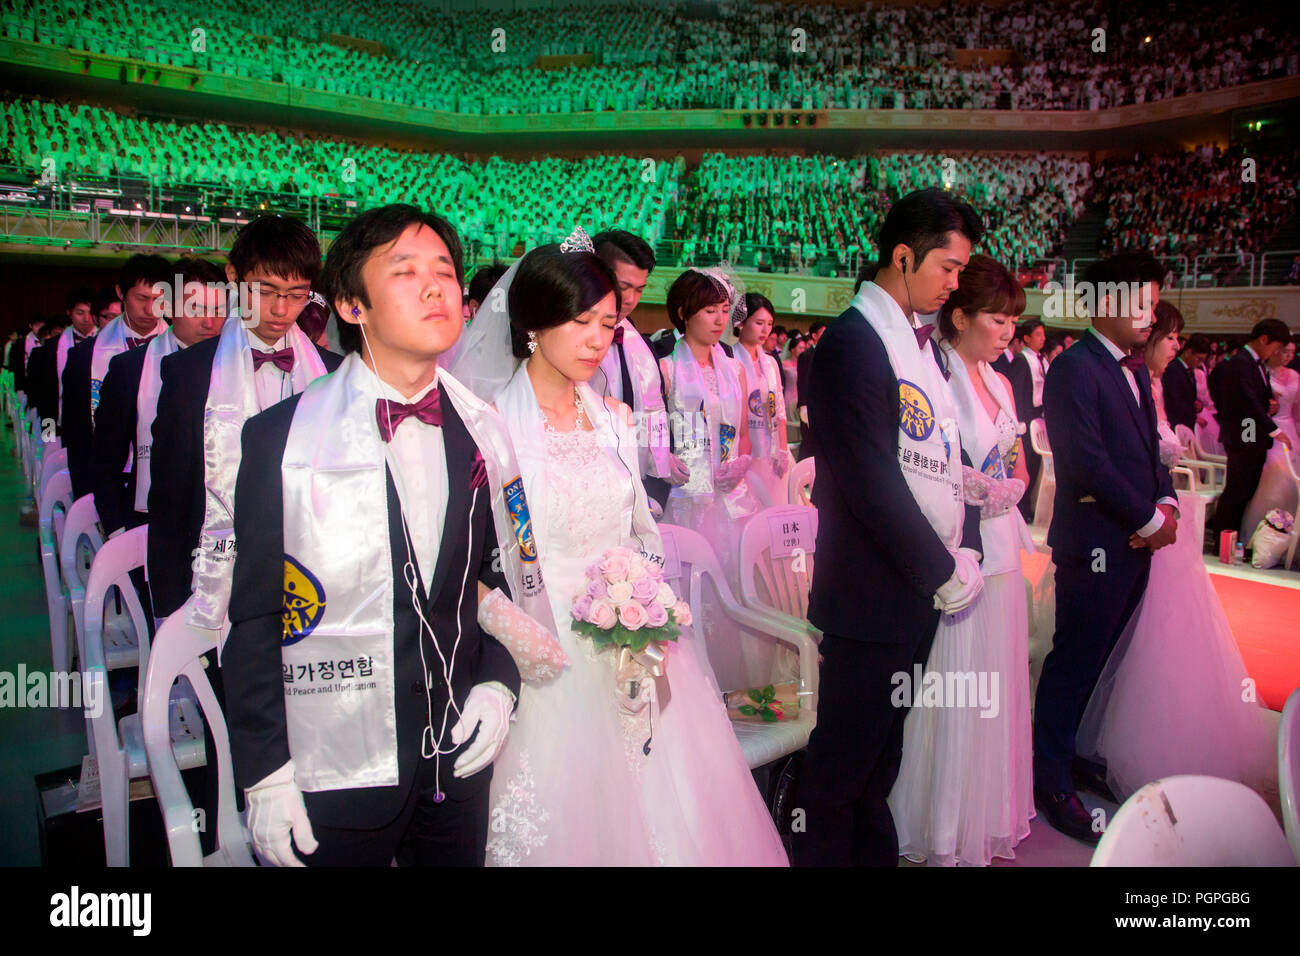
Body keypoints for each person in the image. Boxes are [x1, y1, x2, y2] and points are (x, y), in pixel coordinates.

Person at [449, 235, 787, 866]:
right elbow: (466, 561)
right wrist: (521, 635)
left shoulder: (614, 418)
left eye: (608, 323)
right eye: (580, 322)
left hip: (629, 635)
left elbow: (637, 532)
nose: (598, 339)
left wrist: (649, 610)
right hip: (541, 641)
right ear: (532, 325)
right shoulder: (490, 428)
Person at [223, 204, 522, 867]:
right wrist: (267, 774)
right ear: (353, 305)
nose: (435, 286)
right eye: (405, 270)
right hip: (338, 767)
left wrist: (500, 683)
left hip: (457, 758)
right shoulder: (280, 440)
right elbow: (253, 618)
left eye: (445, 271)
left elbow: (506, 580)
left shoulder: (484, 431)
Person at [793, 188, 985, 868]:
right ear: (903, 256)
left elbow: (933, 460)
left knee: (881, 758)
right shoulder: (852, 341)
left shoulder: (913, 344)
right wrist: (939, 570)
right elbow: (872, 479)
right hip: (871, 595)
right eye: (949, 267)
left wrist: (958, 549)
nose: (956, 282)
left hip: (908, 594)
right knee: (842, 766)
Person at [1075, 302, 1277, 804]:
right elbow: (1106, 462)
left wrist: (1164, 501)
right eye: (1169, 338)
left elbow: (1157, 458)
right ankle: (1103, 745)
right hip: (1137, 526)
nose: (1175, 346)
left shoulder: (1150, 385)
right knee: (1134, 640)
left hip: (1167, 521)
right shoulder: (1119, 377)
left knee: (1171, 636)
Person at [888, 254, 1035, 866]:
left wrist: (1015, 484)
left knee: (996, 685)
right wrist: (975, 487)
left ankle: (986, 812)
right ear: (961, 315)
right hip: (958, 547)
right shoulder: (935, 372)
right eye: (997, 319)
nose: (1007, 332)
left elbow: (1018, 454)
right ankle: (940, 825)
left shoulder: (1001, 379)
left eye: (1012, 322)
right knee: (952, 687)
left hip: (1005, 547)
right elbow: (923, 460)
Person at [1033, 251, 1177, 846]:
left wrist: (1166, 500)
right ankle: (1050, 778)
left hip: (1134, 543)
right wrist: (1146, 515)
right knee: (1073, 661)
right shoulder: (1074, 368)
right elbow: (1085, 462)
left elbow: (1149, 450)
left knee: (1103, 663)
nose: (1150, 316)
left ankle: (1076, 752)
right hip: (1095, 543)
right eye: (1140, 303)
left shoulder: (1135, 368)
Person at [147, 215, 341, 626]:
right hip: (223, 582)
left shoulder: (335, 374)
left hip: (315, 579)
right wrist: (169, 613)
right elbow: (170, 504)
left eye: (296, 294)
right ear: (234, 276)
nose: (281, 310)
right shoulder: (188, 374)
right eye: (265, 291)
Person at [90, 258, 227, 542]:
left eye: (218, 310)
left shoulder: (238, 363)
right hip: (149, 521)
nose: (209, 322)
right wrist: (117, 529)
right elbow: (105, 461)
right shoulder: (130, 368)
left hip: (225, 522)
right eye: (196, 309)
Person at [658, 267, 758, 588]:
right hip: (686, 493)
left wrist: (740, 465)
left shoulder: (734, 369)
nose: (720, 321)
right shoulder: (667, 369)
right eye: (710, 311)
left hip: (729, 494)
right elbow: (656, 439)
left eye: (725, 312)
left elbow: (743, 435)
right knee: (690, 584)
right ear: (683, 313)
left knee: (730, 582)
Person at [589, 229, 684, 514]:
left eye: (640, 289)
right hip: (590, 480)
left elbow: (653, 409)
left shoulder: (640, 344)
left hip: (636, 481)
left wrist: (661, 462)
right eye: (623, 285)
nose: (630, 299)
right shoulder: (572, 342)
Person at [61, 256, 172, 500]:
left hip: (169, 482)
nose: (150, 309)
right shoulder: (84, 357)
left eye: (159, 300)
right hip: (112, 484)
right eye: (142, 298)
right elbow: (77, 441)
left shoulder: (183, 349)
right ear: (121, 292)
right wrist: (88, 499)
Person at [1210, 318, 1292, 540]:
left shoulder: (1255, 364)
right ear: (1264, 339)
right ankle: (1223, 540)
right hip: (1245, 436)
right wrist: (1273, 429)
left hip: (1252, 436)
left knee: (1244, 492)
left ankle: (1231, 539)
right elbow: (1246, 401)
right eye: (1276, 347)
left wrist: (1269, 406)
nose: (1276, 352)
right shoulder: (1241, 363)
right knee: (1237, 491)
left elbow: (1255, 400)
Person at [1240, 336, 1300, 549]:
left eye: (1292, 353)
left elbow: (1297, 410)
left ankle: (1287, 535)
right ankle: (1259, 534)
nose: (1288, 356)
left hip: (1289, 427)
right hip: (1266, 427)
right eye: (1284, 351)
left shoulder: (1294, 375)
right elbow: (1250, 405)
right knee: (1273, 475)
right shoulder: (1262, 371)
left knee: (1293, 480)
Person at [734, 292, 792, 504]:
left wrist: (783, 450)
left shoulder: (770, 363)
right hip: (744, 447)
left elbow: (780, 409)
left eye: (769, 323)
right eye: (759, 323)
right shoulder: (729, 358)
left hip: (772, 446)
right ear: (741, 323)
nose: (766, 330)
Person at [25, 288, 96, 437]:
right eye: (80, 313)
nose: (86, 319)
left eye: (90, 313)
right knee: (54, 456)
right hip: (59, 421)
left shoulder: (106, 343)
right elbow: (46, 395)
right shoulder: (51, 347)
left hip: (95, 425)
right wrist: (48, 434)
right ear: (69, 313)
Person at [1006, 318, 1046, 518]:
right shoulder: (1021, 360)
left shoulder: (1040, 359)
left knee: (1035, 464)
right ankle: (1020, 509)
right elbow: (1016, 390)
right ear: (1027, 338)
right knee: (1025, 463)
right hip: (1025, 417)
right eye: (1038, 335)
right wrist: (1019, 420)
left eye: (1043, 334)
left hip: (1038, 416)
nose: (1042, 338)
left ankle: (1027, 507)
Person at [1162, 332, 1210, 434]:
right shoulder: (1173, 370)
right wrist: (1193, 417)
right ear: (1188, 352)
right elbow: (1173, 402)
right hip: (1177, 424)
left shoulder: (1189, 370)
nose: (1200, 363)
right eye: (1199, 359)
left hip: (1186, 424)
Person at [795, 320, 826, 461]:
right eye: (823, 333)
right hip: (808, 406)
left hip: (822, 406)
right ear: (814, 335)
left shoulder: (826, 353)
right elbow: (802, 381)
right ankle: (802, 477)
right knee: (808, 442)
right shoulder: (806, 355)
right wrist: (803, 405)